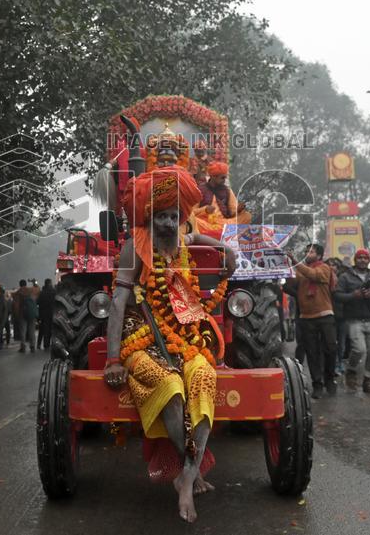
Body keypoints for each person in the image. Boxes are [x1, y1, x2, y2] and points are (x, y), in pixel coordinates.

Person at [104, 165, 235, 523]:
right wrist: (113, 359)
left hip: (189, 338)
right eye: (160, 216)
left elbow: (216, 247)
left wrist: (226, 250)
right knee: (172, 387)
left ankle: (187, 475)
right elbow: (117, 303)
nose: (166, 224)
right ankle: (191, 471)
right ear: (149, 217)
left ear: (181, 219)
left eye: (173, 217)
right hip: (142, 340)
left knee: (204, 379)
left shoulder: (182, 240)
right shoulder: (135, 247)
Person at [333, 249, 370, 393]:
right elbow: (337, 295)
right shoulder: (345, 277)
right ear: (355, 260)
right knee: (359, 349)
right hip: (353, 319)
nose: (362, 260)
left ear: (368, 260)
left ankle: (368, 380)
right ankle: (351, 370)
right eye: (360, 258)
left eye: (365, 258)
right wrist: (353, 295)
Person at [289, 243, 338, 397]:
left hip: (325, 315)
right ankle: (317, 384)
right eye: (306, 251)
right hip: (306, 317)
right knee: (312, 352)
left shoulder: (324, 268)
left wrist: (295, 262)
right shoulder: (301, 270)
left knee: (330, 348)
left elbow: (314, 275)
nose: (307, 253)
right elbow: (291, 282)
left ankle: (329, 378)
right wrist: (285, 269)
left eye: (310, 252)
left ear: (319, 255)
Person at [17, 279, 39, 353]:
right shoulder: (31, 290)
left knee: (23, 331)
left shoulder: (19, 292)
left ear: (20, 284)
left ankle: (23, 347)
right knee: (32, 331)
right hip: (32, 314)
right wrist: (34, 282)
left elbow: (16, 304)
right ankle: (32, 346)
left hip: (22, 314)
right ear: (26, 284)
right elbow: (38, 289)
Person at [37, 278, 56, 350]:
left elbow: (38, 302)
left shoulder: (42, 292)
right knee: (52, 329)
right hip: (52, 313)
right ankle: (51, 344)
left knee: (44, 329)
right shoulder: (54, 292)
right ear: (50, 283)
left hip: (43, 314)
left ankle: (45, 344)